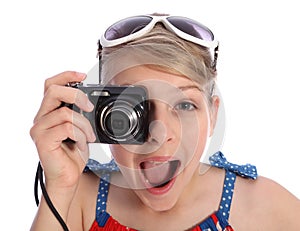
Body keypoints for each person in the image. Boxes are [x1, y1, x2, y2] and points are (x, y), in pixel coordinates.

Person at [30, 13, 300, 231]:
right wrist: (59, 187)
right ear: (100, 112)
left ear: (213, 114)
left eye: (184, 105)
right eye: (132, 108)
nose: (159, 132)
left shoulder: (262, 206)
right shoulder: (76, 199)